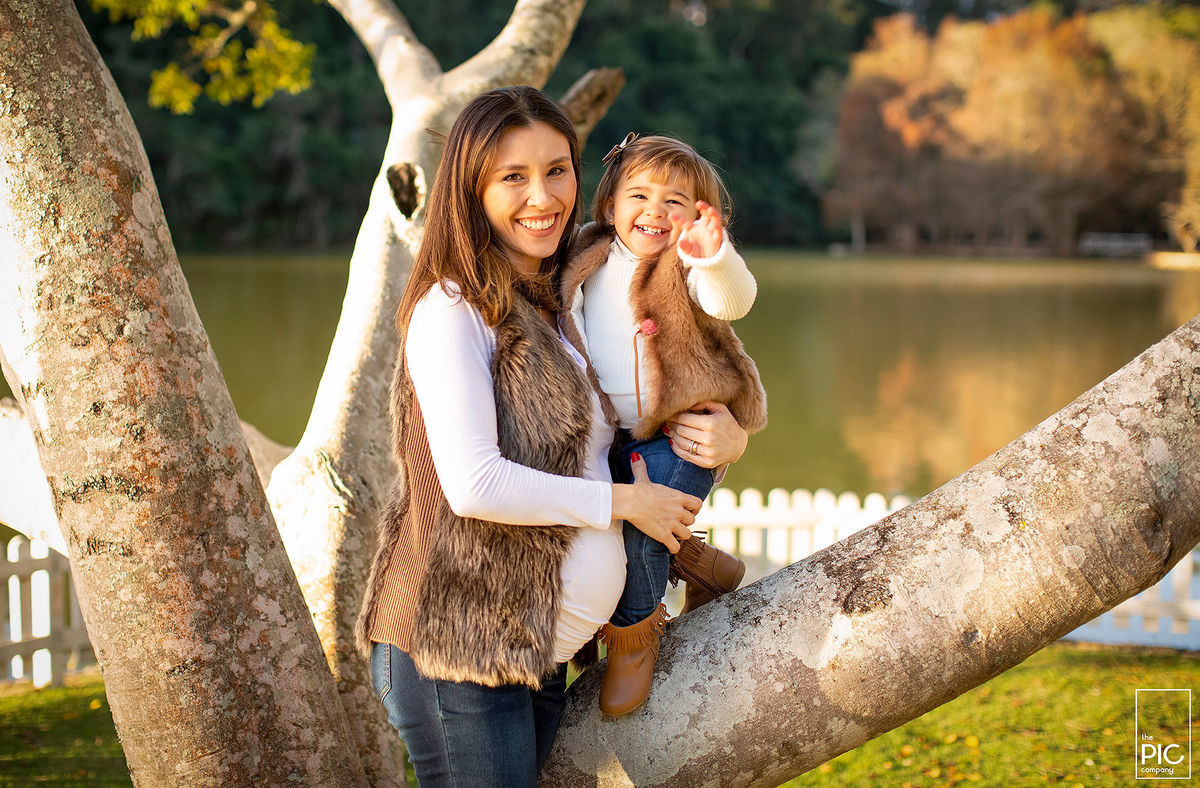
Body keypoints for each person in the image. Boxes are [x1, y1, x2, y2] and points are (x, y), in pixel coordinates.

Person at [355, 88, 749, 787]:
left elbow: (633, 416)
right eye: (513, 177)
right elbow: (475, 485)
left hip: (532, 649)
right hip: (456, 646)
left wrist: (726, 436)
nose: (543, 196)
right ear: (470, 190)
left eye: (557, 170)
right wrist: (626, 506)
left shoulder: (562, 295)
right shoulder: (454, 305)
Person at [558, 133, 768, 717]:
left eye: (676, 202)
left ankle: (635, 637)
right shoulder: (584, 259)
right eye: (640, 195)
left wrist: (714, 256)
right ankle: (703, 566)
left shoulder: (689, 268)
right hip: (614, 437)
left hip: (685, 431)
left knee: (640, 526)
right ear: (607, 206)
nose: (656, 211)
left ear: (697, 217)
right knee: (614, 519)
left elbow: (734, 300)